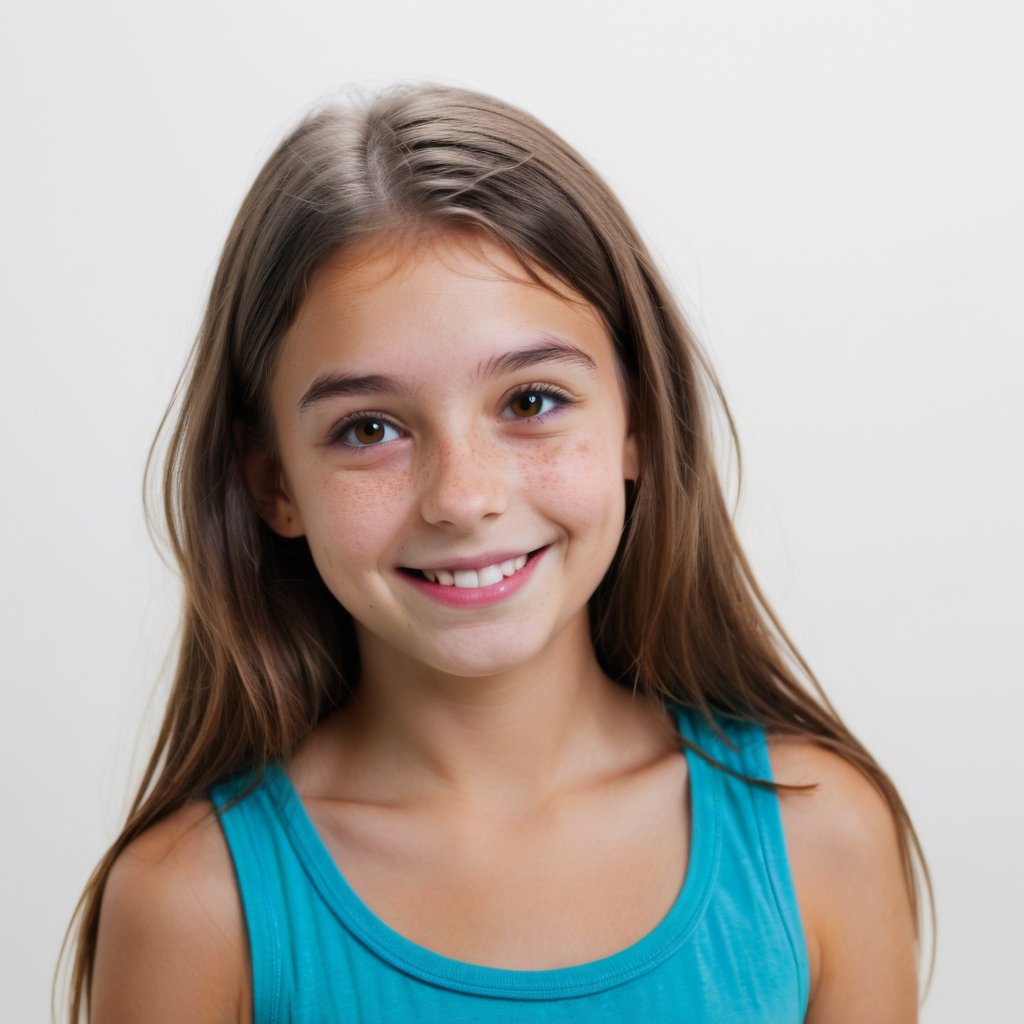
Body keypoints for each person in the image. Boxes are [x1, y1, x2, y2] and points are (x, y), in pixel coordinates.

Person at [63, 84, 931, 1022]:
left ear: (637, 419)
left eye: (530, 402)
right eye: (368, 428)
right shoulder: (191, 908)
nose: (465, 497)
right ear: (273, 484)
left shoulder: (821, 839)